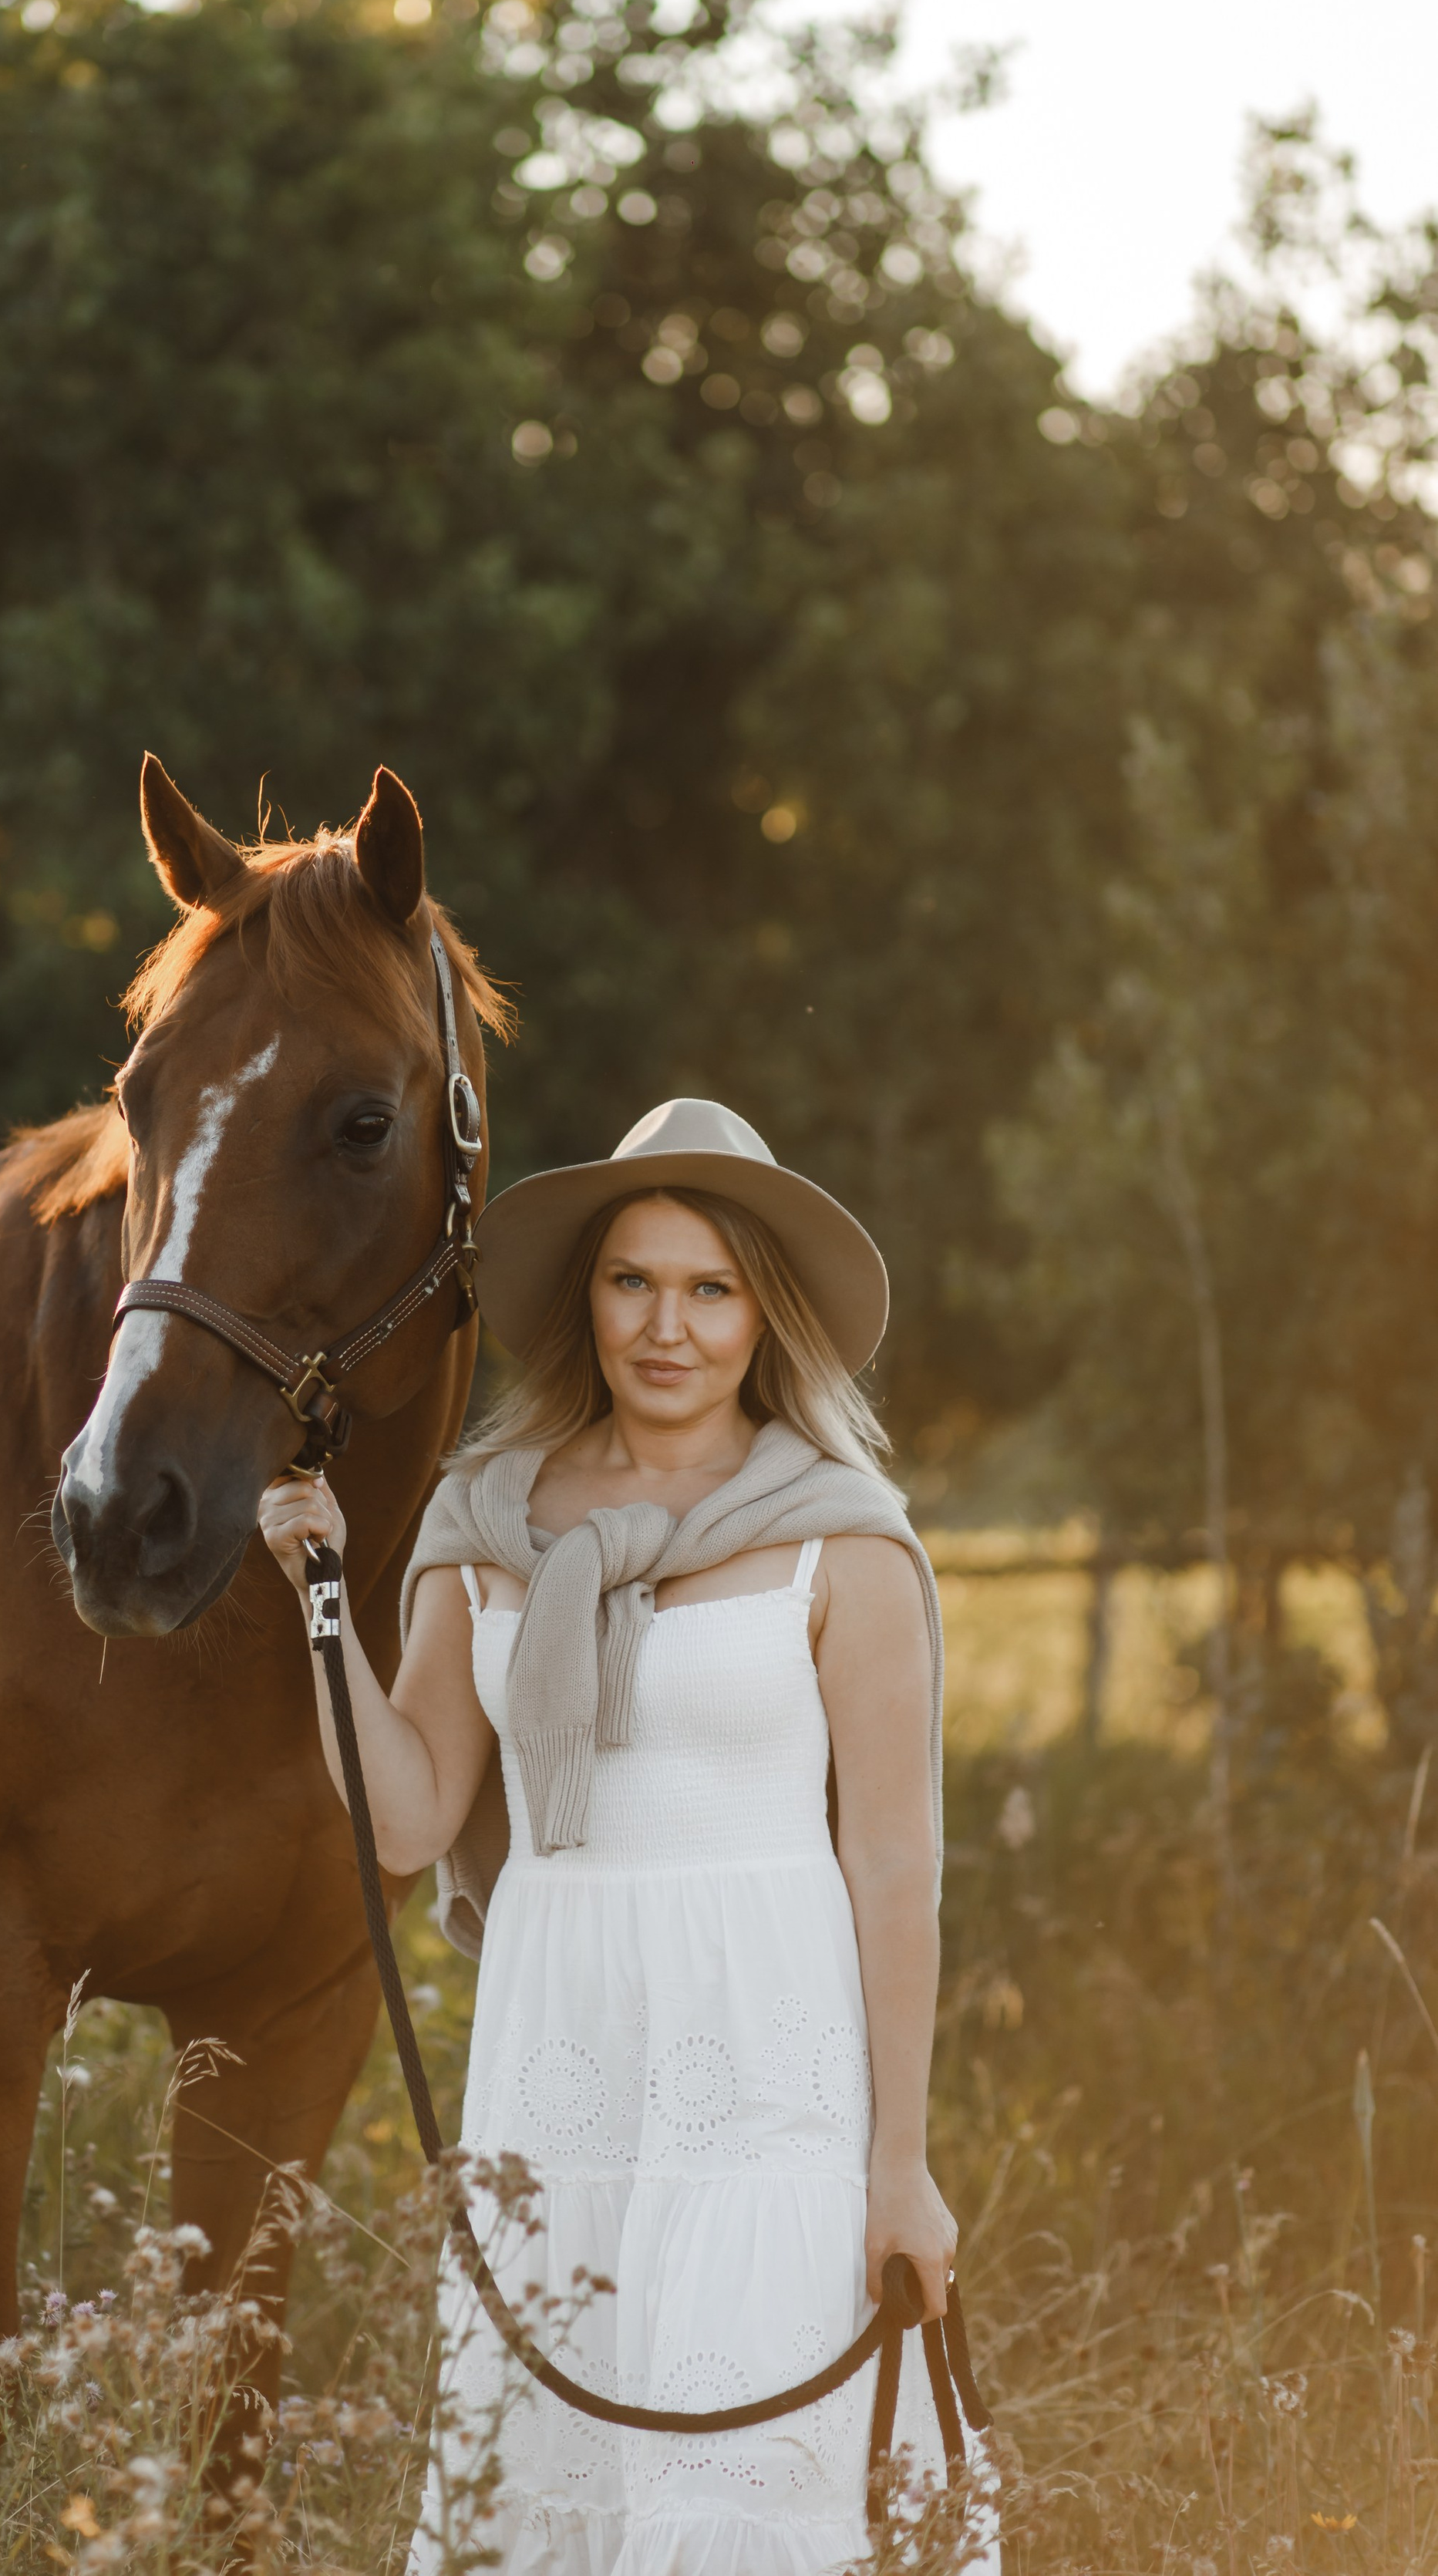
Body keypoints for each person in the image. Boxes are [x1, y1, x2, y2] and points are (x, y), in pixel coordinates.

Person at [260, 1098, 991, 2576]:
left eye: (712, 1288)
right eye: (634, 1282)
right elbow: (408, 1812)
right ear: (586, 1298)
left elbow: (896, 1869)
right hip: (561, 2052)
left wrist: (900, 2166)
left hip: (767, 2061)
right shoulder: (486, 1520)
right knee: (555, 2487)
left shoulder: (841, 1532)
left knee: (737, 2491)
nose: (671, 1327)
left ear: (761, 1312)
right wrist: (322, 1598)